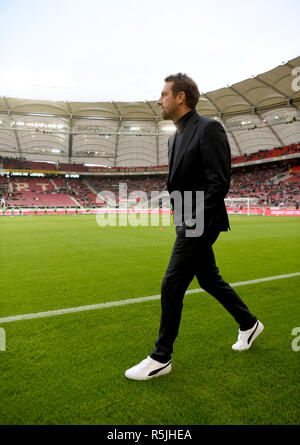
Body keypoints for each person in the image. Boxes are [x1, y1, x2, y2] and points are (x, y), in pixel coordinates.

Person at [125, 73, 264, 381]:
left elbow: (219, 182)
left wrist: (192, 218)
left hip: (202, 220)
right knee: (209, 280)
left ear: (181, 97)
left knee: (172, 284)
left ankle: (161, 357)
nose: (159, 100)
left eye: (163, 94)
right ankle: (249, 323)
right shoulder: (175, 136)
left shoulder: (209, 128)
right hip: (185, 219)